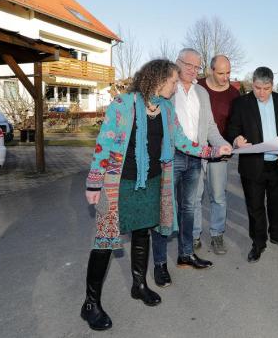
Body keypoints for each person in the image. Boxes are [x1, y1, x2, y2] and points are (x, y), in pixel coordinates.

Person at [81, 60, 232, 331]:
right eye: (173, 81)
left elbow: (182, 143)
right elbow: (103, 145)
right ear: (159, 79)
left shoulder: (165, 109)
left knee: (142, 234)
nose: (176, 86)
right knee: (104, 241)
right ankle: (91, 303)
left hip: (150, 182)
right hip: (118, 184)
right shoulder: (123, 104)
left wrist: (212, 151)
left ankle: (139, 285)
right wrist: (93, 185)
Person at [150, 48, 231, 285]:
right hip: (171, 157)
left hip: (196, 158)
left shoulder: (202, 93)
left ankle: (185, 254)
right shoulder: (166, 90)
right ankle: (160, 264)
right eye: (189, 65)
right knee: (165, 210)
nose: (193, 71)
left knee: (188, 208)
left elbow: (210, 127)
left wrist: (223, 145)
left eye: (197, 67)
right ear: (178, 63)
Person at [226, 67, 278, 262]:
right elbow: (231, 128)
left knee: (277, 202)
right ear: (252, 84)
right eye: (257, 88)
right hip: (252, 163)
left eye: (266, 88)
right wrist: (236, 139)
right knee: (255, 206)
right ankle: (258, 242)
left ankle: (277, 234)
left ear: (272, 85)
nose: (262, 93)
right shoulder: (241, 103)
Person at [193, 54, 241, 255]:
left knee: (219, 195)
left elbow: (236, 123)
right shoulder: (197, 87)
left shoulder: (233, 94)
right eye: (221, 73)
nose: (225, 77)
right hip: (196, 149)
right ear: (211, 70)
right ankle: (194, 235)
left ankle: (217, 234)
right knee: (194, 195)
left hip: (221, 149)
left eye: (228, 73)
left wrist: (235, 140)